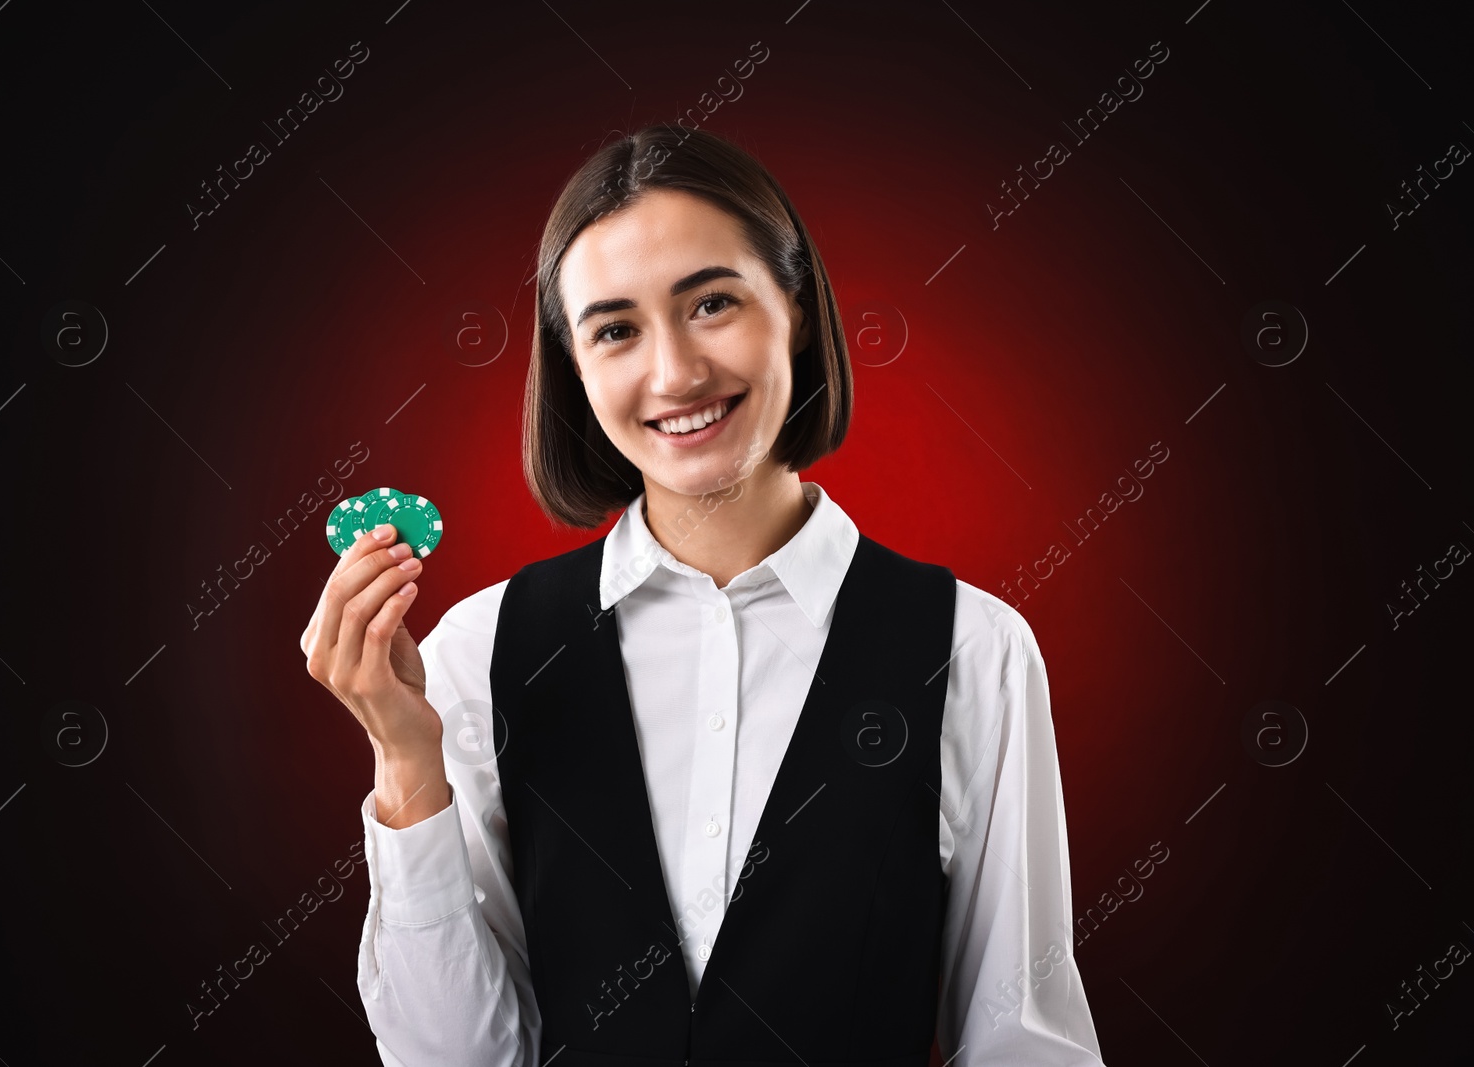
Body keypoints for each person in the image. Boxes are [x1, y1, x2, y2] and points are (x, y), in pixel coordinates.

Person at [301, 125, 1105, 1066]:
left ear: (796, 309)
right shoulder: (475, 654)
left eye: (712, 302)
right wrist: (405, 765)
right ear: (574, 367)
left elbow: (1024, 1043)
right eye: (615, 330)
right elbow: (456, 1059)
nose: (675, 373)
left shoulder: (974, 650)